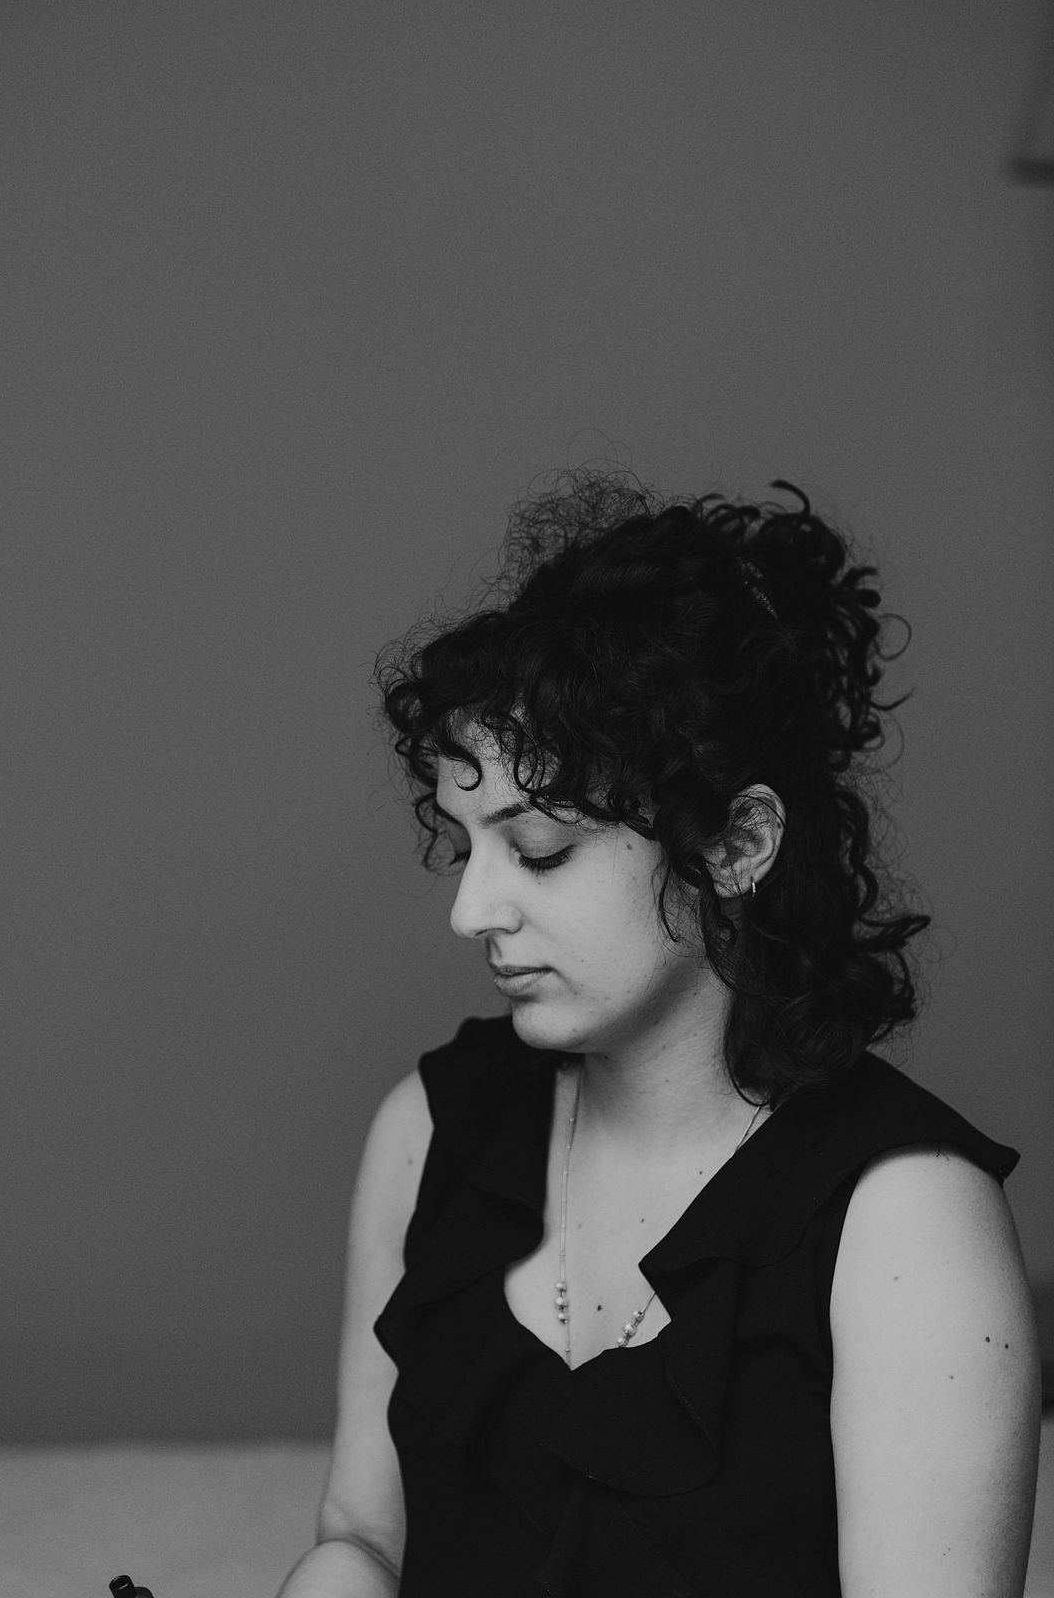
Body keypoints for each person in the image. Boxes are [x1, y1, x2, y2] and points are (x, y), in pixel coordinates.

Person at [277, 472, 1041, 1597]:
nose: (470, 911)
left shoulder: (908, 1218)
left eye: (538, 851)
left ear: (736, 844)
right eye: (465, 844)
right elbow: (363, 1539)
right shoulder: (428, 1128)